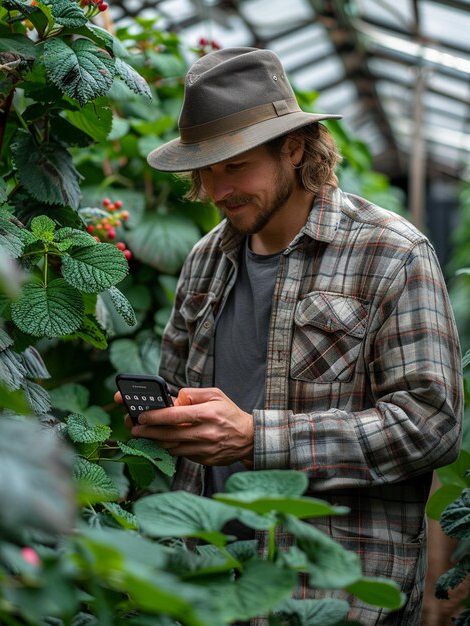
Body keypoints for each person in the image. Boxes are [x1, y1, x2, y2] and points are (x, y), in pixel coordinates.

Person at [116, 47, 463, 625]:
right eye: (204, 168)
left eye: (235, 165)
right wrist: (165, 419)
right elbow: (182, 390)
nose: (216, 188)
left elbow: (431, 425)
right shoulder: (207, 258)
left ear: (294, 147)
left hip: (328, 593)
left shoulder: (391, 252)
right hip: (211, 580)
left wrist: (259, 438)